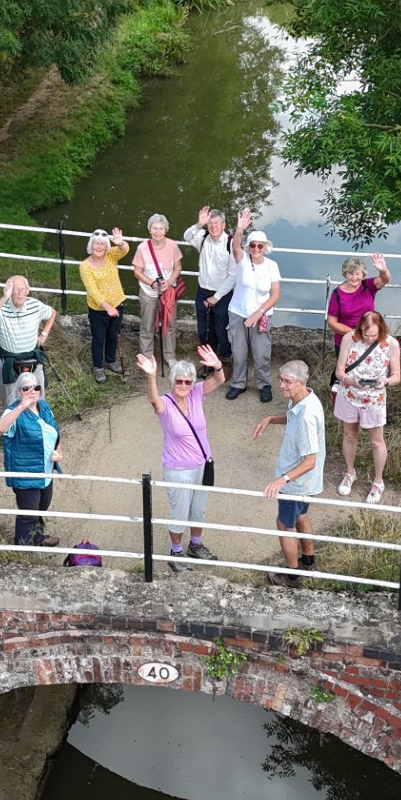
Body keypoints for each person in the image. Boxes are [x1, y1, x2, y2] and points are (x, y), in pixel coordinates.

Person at [139, 348, 227, 569]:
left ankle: (195, 545)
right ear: (172, 381)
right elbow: (153, 399)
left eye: (188, 382)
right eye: (179, 381)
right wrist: (150, 375)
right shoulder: (166, 404)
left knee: (198, 509)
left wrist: (217, 365)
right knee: (179, 511)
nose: (184, 386)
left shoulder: (197, 393)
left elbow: (220, 379)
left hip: (203, 464)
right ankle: (175, 552)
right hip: (178, 468)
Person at [254, 360, 326, 587]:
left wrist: (281, 479)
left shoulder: (306, 417)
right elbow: (291, 416)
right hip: (307, 484)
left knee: (285, 524)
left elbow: (310, 461)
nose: (282, 385)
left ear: (301, 383)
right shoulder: (306, 399)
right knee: (301, 516)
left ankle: (292, 575)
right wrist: (270, 419)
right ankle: (308, 559)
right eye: (281, 379)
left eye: (287, 381)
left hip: (296, 484)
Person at [333, 310, 400, 505]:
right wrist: (349, 379)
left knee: (376, 441)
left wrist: (385, 382)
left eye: (373, 335)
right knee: (349, 435)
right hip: (350, 395)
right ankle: (349, 472)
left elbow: (397, 376)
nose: (369, 338)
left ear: (381, 330)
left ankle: (378, 482)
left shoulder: (391, 344)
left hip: (374, 400)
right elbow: (339, 370)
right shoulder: (349, 338)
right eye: (365, 334)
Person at [0, 372, 61, 548]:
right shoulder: (13, 411)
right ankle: (23, 547)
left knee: (41, 507)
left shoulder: (44, 407)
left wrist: (58, 451)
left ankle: (37, 537)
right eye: (26, 388)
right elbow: (1, 428)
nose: (32, 391)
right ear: (18, 391)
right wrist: (22, 406)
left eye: (36, 387)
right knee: (28, 513)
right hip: (25, 472)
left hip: (45, 469)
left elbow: (54, 433)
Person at [225, 214, 281, 402]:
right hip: (238, 312)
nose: (256, 249)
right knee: (238, 352)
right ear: (248, 247)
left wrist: (259, 312)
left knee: (261, 353)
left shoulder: (272, 266)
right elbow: (235, 246)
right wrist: (239, 228)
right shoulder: (241, 261)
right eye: (253, 245)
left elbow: (275, 295)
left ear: (265, 248)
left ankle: (264, 384)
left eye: (260, 245)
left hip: (262, 315)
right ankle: (238, 383)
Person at [0, 276, 55, 407]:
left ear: (28, 290)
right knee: (11, 403)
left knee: (38, 401)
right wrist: (5, 297)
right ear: (9, 291)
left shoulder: (35, 305)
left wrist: (44, 334)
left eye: (23, 289)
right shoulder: (1, 309)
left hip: (33, 359)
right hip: (9, 361)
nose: (20, 293)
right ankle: (13, 426)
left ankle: (39, 424)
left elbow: (52, 313)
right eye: (15, 289)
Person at [184, 206, 238, 362]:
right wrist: (198, 224)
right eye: (210, 223)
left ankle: (226, 358)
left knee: (221, 330)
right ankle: (209, 358)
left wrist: (216, 297)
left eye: (217, 223)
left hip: (223, 294)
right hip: (202, 291)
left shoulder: (230, 243)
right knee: (203, 331)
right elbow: (187, 236)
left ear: (223, 225)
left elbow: (233, 275)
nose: (213, 226)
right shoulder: (202, 237)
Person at [132, 213, 185, 369]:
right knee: (147, 325)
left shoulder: (173, 245)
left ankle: (170, 356)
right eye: (154, 228)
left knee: (170, 324)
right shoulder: (142, 248)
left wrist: (169, 282)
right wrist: (152, 284)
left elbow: (178, 267)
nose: (157, 232)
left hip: (168, 293)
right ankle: (147, 357)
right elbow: (137, 272)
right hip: (148, 293)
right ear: (149, 230)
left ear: (166, 230)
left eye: (161, 228)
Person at [78, 227, 129, 383]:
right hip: (98, 311)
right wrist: (108, 307)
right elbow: (93, 291)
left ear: (106, 246)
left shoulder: (111, 255)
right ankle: (98, 367)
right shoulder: (85, 266)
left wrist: (121, 243)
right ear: (90, 246)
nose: (99, 247)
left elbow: (124, 250)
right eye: (96, 244)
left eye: (102, 244)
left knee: (113, 335)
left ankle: (111, 359)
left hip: (118, 304)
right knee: (99, 339)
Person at [326, 254, 391, 353]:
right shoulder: (337, 294)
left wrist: (383, 270)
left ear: (363, 274)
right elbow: (331, 322)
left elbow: (385, 279)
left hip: (370, 338)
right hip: (346, 341)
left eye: (357, 274)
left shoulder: (368, 286)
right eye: (350, 273)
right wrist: (355, 333)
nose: (354, 277)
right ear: (345, 274)